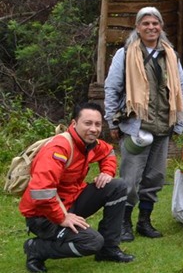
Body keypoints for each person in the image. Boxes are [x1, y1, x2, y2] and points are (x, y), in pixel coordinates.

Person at [104, 6, 183, 242]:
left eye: (155, 23)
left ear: (161, 27)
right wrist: (112, 121)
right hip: (135, 126)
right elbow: (112, 88)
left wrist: (178, 123)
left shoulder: (171, 55)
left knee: (155, 178)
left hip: (162, 127)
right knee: (130, 180)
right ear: (138, 28)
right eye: (146, 23)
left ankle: (144, 221)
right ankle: (123, 223)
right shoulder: (126, 54)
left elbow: (179, 89)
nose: (151, 27)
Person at [21, 102, 134, 272]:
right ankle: (36, 248)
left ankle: (109, 250)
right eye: (88, 123)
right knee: (92, 242)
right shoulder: (59, 148)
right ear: (74, 124)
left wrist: (107, 172)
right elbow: (41, 192)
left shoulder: (90, 143)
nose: (94, 129)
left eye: (97, 124)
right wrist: (62, 218)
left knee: (117, 185)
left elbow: (109, 152)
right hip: (43, 215)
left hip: (70, 202)